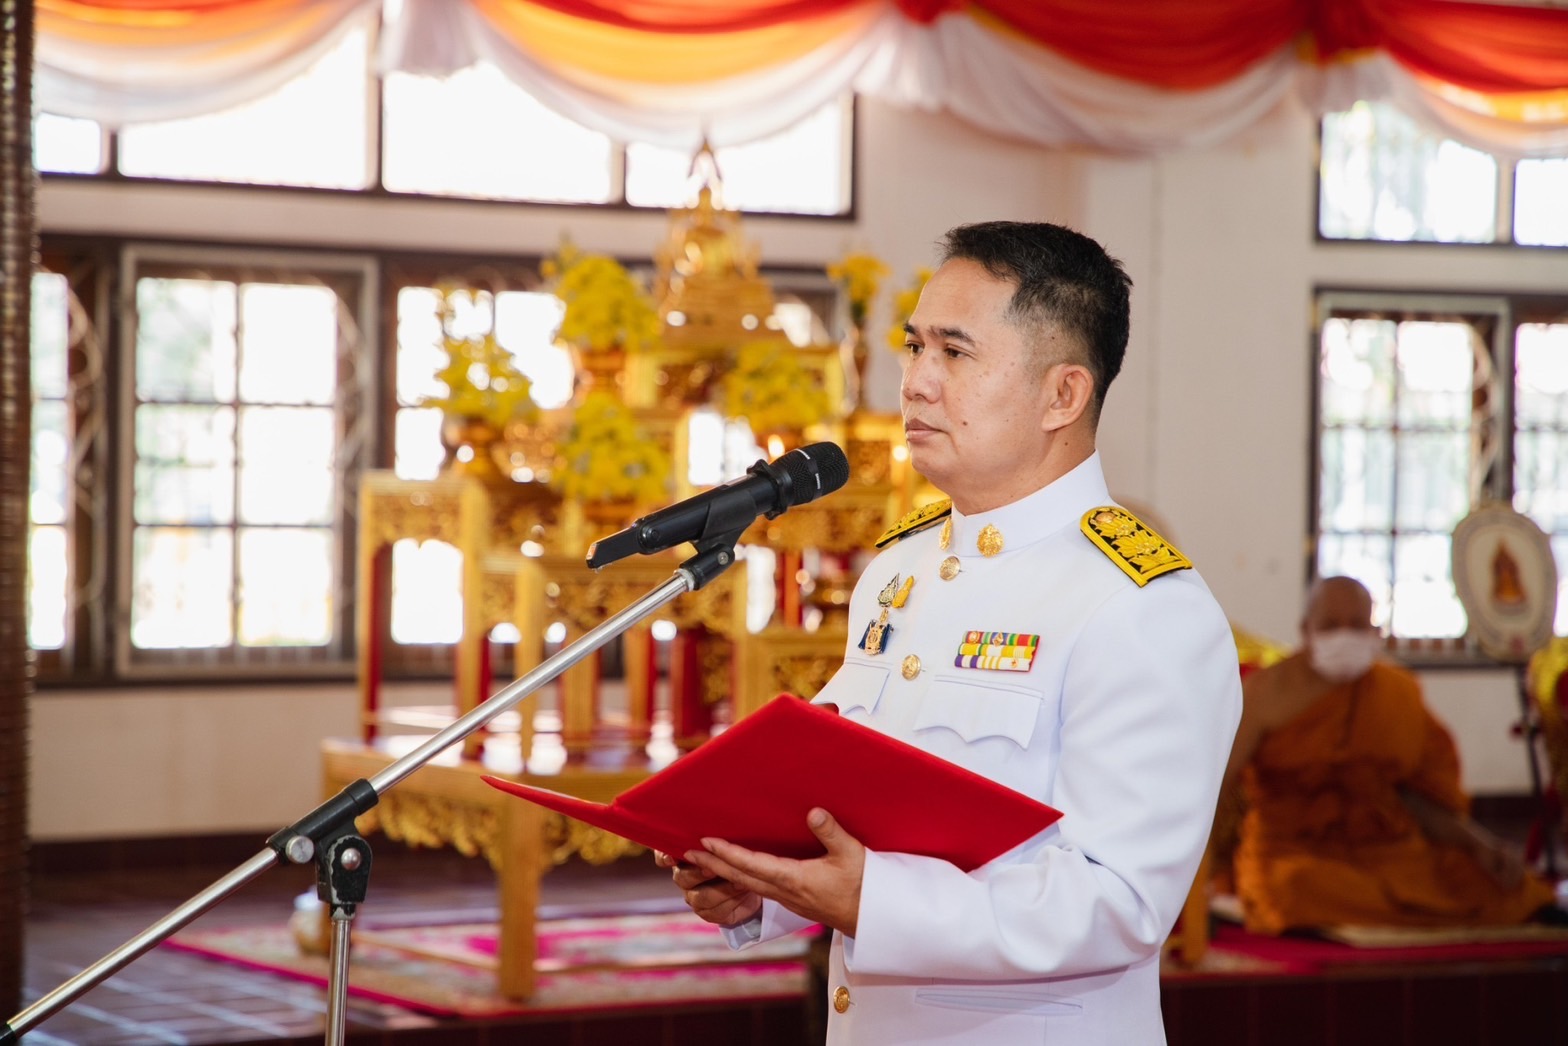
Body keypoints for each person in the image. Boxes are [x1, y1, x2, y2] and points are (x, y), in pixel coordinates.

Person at [659, 221, 1243, 1043]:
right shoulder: (899, 574)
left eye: (956, 354)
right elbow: (844, 804)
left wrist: (874, 900)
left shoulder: (1142, 605)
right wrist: (762, 882)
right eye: (914, 348)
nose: (918, 384)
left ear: (1063, 396)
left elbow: (1119, 903)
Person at [1223, 575, 1557, 935]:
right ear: (1306, 630)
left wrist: (1481, 846)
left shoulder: (1396, 692)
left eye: (1356, 625)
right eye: (1331, 625)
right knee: (1295, 887)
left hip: (1390, 854)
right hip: (1298, 853)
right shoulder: (1265, 694)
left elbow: (1417, 798)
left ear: (1374, 631)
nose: (1345, 636)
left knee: (1493, 881)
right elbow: (1217, 783)